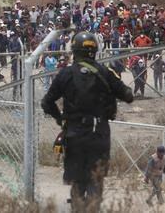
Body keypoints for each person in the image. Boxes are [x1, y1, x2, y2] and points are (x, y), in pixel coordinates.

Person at [41, 32, 134, 213]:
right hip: (98, 134)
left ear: (74, 51)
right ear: (95, 50)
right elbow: (128, 95)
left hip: (74, 134)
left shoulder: (65, 74)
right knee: (95, 181)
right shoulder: (105, 72)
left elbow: (46, 102)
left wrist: (60, 119)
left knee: (77, 182)